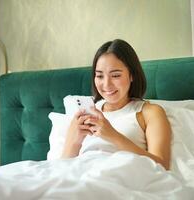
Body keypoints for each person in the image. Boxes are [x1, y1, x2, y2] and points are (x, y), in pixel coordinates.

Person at [61, 39, 171, 170]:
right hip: (80, 175)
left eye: (115, 75)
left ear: (132, 75)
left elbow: (162, 166)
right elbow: (62, 167)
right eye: (100, 76)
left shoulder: (149, 112)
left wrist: (112, 135)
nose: (106, 84)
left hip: (117, 178)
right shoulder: (87, 113)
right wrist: (75, 140)